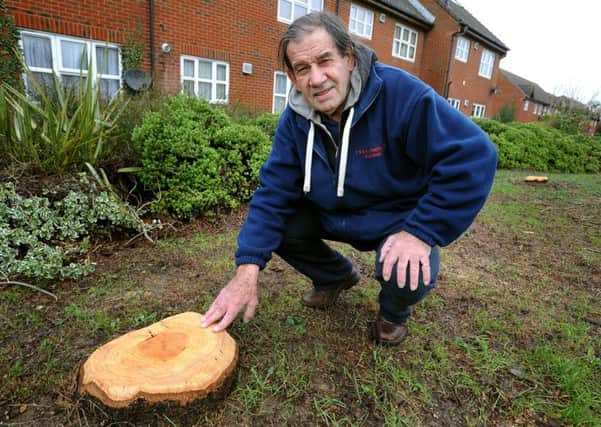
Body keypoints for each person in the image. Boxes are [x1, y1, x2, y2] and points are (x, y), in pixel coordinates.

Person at [201, 11, 497, 345]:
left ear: (349, 58)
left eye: (325, 61)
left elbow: (474, 155)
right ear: (292, 76)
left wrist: (420, 231)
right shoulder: (295, 119)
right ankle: (335, 277)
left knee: (409, 269)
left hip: (395, 221)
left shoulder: (402, 95)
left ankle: (393, 313)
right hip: (331, 214)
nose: (316, 78)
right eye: (302, 68)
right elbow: (273, 193)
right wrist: (247, 269)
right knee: (278, 226)